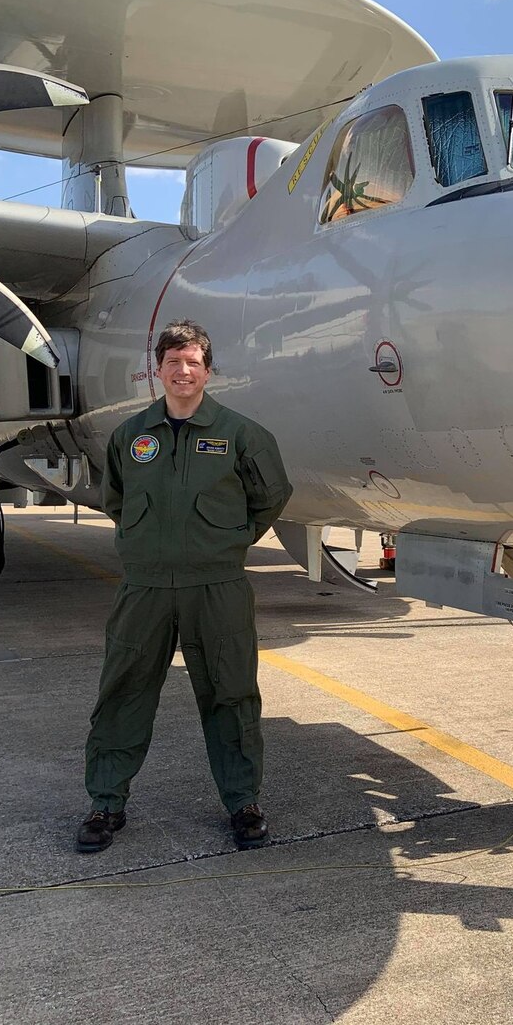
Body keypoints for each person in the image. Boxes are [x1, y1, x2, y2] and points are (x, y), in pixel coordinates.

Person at [77, 319, 291, 853]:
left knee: (231, 694)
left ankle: (243, 802)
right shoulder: (131, 436)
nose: (183, 371)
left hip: (216, 587)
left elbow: (272, 494)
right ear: (158, 369)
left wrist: (232, 539)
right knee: (123, 692)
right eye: (173, 361)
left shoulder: (242, 434)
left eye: (192, 361)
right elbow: (116, 500)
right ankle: (106, 804)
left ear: (208, 370)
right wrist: (142, 542)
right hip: (145, 588)